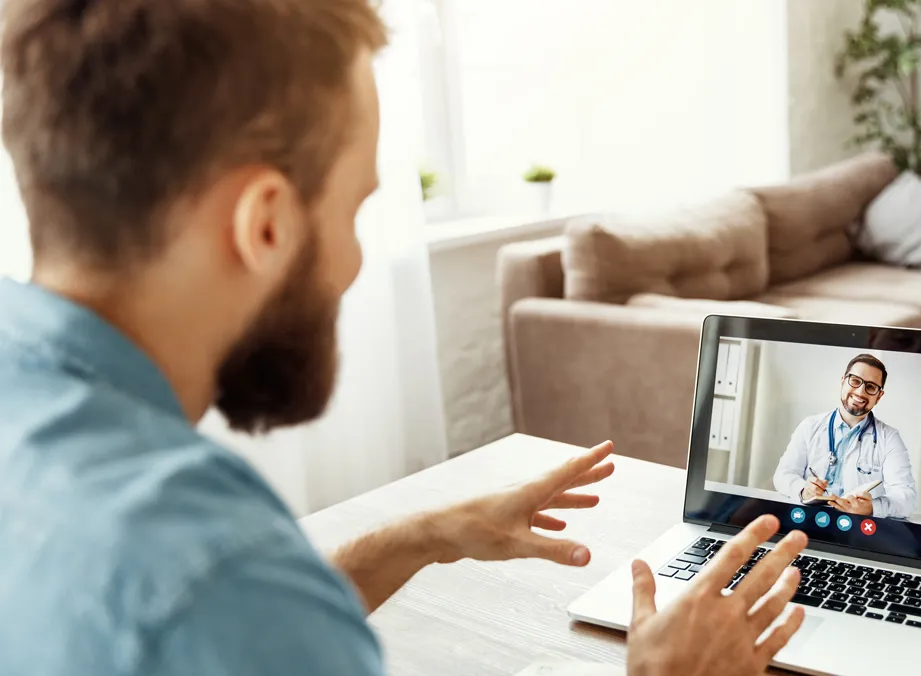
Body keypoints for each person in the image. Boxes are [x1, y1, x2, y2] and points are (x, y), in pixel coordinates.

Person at [0, 2, 810, 675]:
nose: (354, 263)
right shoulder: (213, 571)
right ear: (267, 224)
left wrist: (424, 537)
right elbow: (228, 604)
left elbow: (249, 624)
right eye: (354, 210)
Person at [772, 354, 917, 518]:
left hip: (855, 531)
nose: (860, 391)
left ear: (879, 396)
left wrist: (872, 508)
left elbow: (907, 499)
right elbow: (783, 475)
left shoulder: (889, 439)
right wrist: (803, 489)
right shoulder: (810, 426)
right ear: (843, 380)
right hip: (806, 521)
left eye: (871, 387)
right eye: (855, 381)